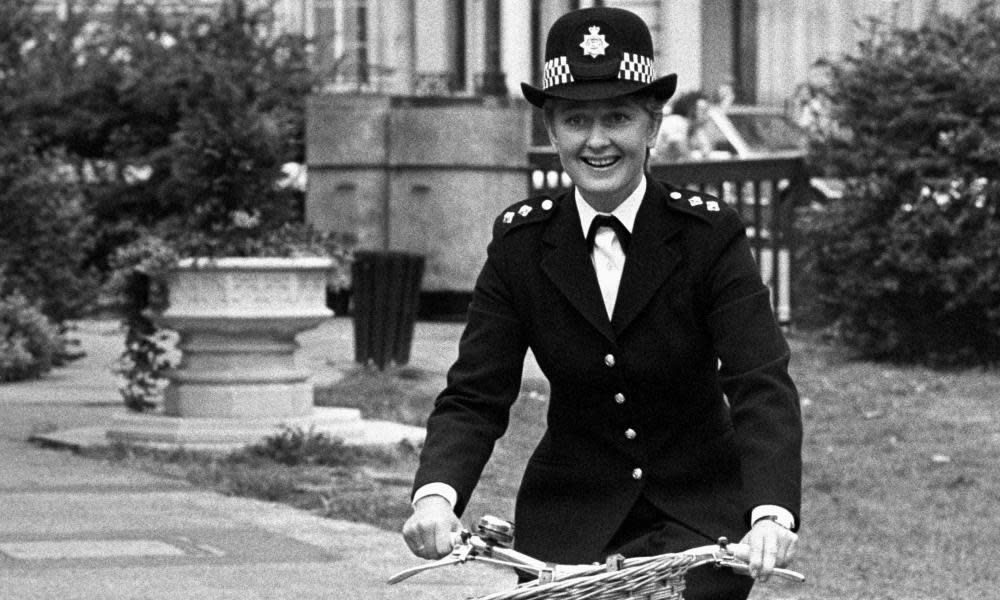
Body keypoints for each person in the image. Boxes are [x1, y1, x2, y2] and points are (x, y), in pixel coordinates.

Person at [402, 7, 802, 599]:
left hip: (698, 516)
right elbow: (475, 393)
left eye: (617, 117)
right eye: (575, 119)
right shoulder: (521, 243)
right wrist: (436, 496)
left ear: (652, 123)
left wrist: (770, 513)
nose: (596, 141)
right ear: (551, 129)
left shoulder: (707, 236)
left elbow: (759, 380)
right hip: (569, 518)